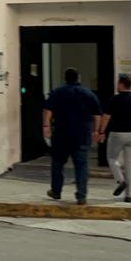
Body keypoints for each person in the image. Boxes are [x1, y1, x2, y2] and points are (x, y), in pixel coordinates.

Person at [42, 68, 102, 205]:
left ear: (65, 78)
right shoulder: (88, 93)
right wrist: (96, 130)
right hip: (82, 134)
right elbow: (97, 114)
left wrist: (46, 126)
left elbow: (48, 110)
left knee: (58, 163)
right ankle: (81, 196)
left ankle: (56, 191)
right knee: (81, 165)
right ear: (78, 78)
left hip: (62, 133)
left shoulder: (57, 92)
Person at [98, 75, 131, 203]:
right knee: (130, 164)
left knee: (111, 158)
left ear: (121, 84)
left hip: (117, 134)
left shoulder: (115, 99)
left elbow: (106, 117)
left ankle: (120, 180)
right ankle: (129, 195)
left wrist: (101, 131)